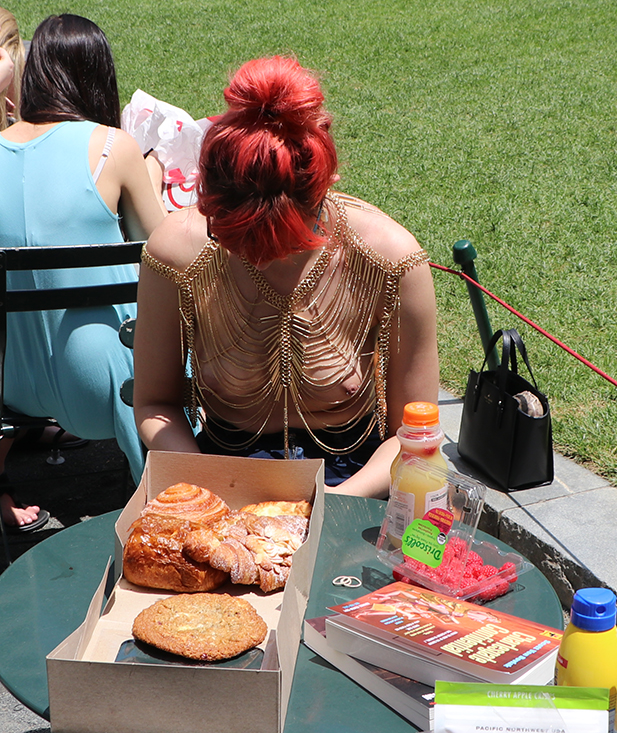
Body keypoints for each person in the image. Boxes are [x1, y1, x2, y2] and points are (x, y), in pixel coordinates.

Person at [133, 56, 439, 498]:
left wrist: (332, 503)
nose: (259, 259)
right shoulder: (175, 253)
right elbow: (154, 403)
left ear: (323, 191)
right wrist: (209, 487)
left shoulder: (390, 260)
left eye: (280, 242)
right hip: (217, 473)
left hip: (354, 481)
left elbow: (414, 434)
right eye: (235, 238)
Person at [0, 14, 167, 529]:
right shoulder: (113, 147)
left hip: (10, 381)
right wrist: (154, 175)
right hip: (103, 385)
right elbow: (164, 251)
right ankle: (166, 496)